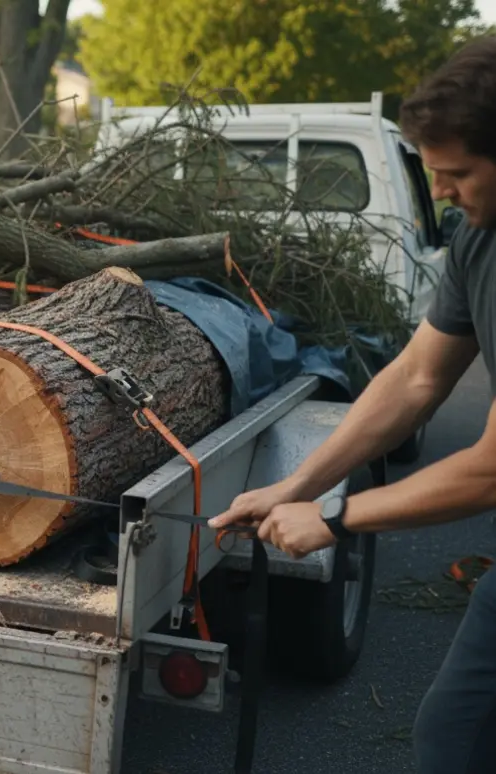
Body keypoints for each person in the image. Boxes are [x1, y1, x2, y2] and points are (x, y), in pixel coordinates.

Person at [208, 35, 496, 774]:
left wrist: (335, 519)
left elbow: (490, 468)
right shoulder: (475, 242)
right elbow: (416, 379)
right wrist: (295, 484)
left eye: (457, 174)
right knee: (454, 738)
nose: (441, 195)